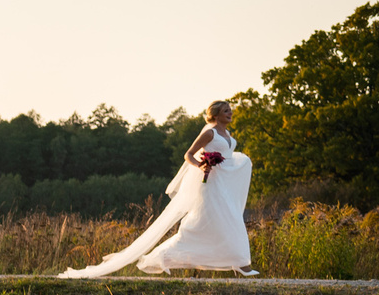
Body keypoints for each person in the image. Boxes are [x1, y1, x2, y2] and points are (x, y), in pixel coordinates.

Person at [60, 100, 256, 278]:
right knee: (208, 224)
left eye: (230, 110)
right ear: (215, 115)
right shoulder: (210, 133)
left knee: (229, 220)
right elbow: (188, 154)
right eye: (225, 111)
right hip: (209, 186)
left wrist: (243, 163)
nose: (230, 113)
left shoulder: (227, 135)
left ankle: (238, 262)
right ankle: (167, 257)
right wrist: (201, 165)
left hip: (223, 186)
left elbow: (228, 158)